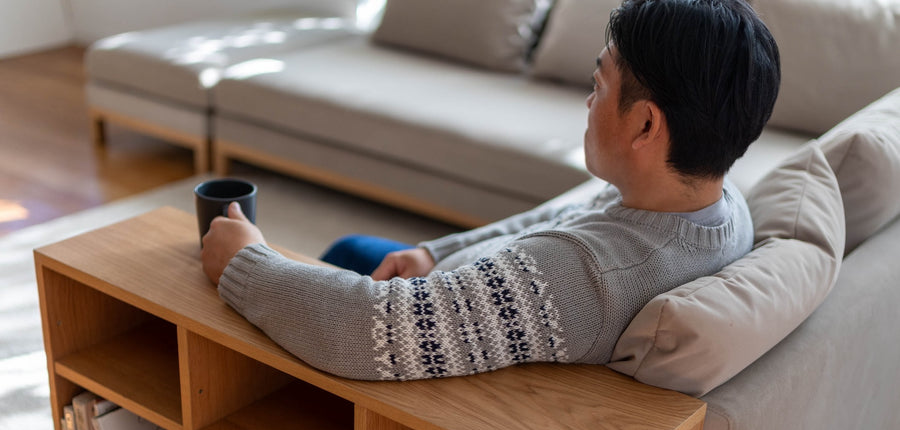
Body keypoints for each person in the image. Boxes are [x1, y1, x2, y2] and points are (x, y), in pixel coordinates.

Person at [200, 0, 780, 381]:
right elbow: (560, 215)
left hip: (417, 354)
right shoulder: (719, 204)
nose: (588, 100)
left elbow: (366, 330)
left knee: (260, 287)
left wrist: (245, 262)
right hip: (462, 283)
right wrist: (438, 252)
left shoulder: (582, 277)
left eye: (599, 84)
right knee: (354, 248)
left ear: (646, 126)